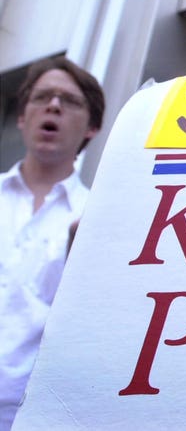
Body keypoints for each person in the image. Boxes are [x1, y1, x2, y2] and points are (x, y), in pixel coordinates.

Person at [0, 56, 105, 431]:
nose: (54, 105)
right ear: (22, 117)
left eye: (70, 101)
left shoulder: (99, 219)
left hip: (33, 419)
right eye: (42, 97)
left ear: (92, 127)